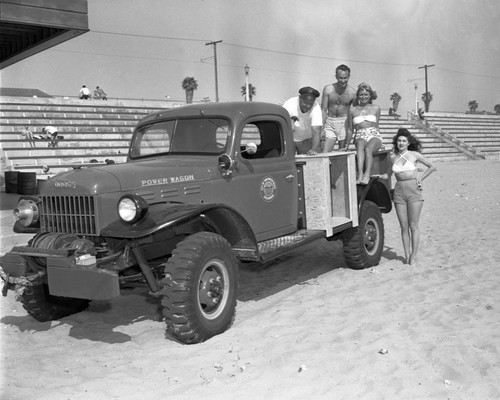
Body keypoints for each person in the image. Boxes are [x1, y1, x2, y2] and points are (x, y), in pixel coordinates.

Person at [391, 128, 436, 267]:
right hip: (398, 191)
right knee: (403, 227)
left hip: (413, 191)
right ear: (396, 142)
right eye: (399, 140)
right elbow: (387, 175)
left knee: (413, 226)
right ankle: (406, 255)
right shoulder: (392, 157)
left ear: (408, 142)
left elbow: (432, 166)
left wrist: (420, 179)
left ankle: (414, 257)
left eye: (404, 141)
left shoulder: (414, 155)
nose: (401, 143)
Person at [346, 82, 383, 185]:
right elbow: (350, 129)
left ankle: (367, 174)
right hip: (359, 134)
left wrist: (381, 142)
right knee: (360, 145)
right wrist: (346, 145)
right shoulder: (352, 110)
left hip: (373, 134)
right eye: (361, 94)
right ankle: (360, 174)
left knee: (368, 149)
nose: (363, 97)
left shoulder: (376, 108)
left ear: (370, 95)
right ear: (358, 96)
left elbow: (377, 125)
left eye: (366, 94)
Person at [320, 64, 357, 152]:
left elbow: (354, 114)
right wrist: (322, 129)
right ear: (336, 76)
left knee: (342, 153)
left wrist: (355, 132)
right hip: (330, 122)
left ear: (349, 76)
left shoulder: (353, 93)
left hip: (344, 123)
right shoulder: (328, 89)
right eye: (340, 78)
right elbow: (324, 110)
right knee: (325, 153)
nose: (343, 80)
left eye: (345, 78)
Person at [282, 86, 322, 155]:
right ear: (300, 98)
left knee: (307, 163)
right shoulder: (289, 104)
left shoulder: (316, 107)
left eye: (310, 104)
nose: (308, 106)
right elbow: (282, 125)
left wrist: (314, 150)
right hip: (290, 139)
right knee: (290, 161)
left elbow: (316, 131)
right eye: (305, 102)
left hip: (307, 140)